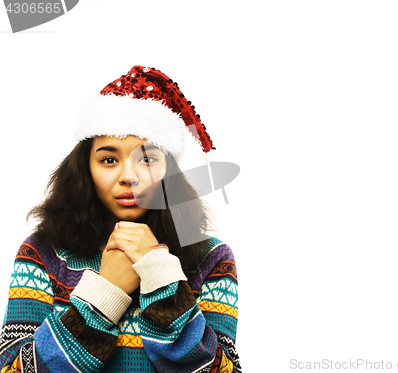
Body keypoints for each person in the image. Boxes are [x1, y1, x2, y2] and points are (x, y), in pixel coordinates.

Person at [0, 65, 241, 373]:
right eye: (109, 159)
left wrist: (161, 275)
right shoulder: (42, 254)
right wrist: (105, 292)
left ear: (168, 170)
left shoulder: (211, 259)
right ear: (85, 168)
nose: (129, 177)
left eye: (147, 159)